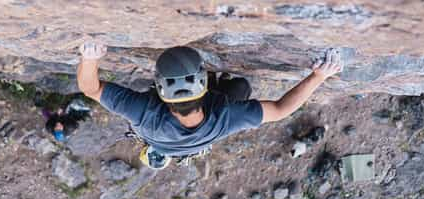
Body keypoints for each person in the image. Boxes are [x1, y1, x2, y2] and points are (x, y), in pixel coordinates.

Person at [76, 41, 343, 169]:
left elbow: (91, 88)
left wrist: (89, 59)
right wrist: (318, 76)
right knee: (239, 89)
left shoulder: (144, 111)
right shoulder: (225, 114)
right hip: (166, 139)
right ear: (205, 86)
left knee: (239, 89)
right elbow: (282, 109)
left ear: (159, 90)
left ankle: (165, 153)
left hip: (188, 140)